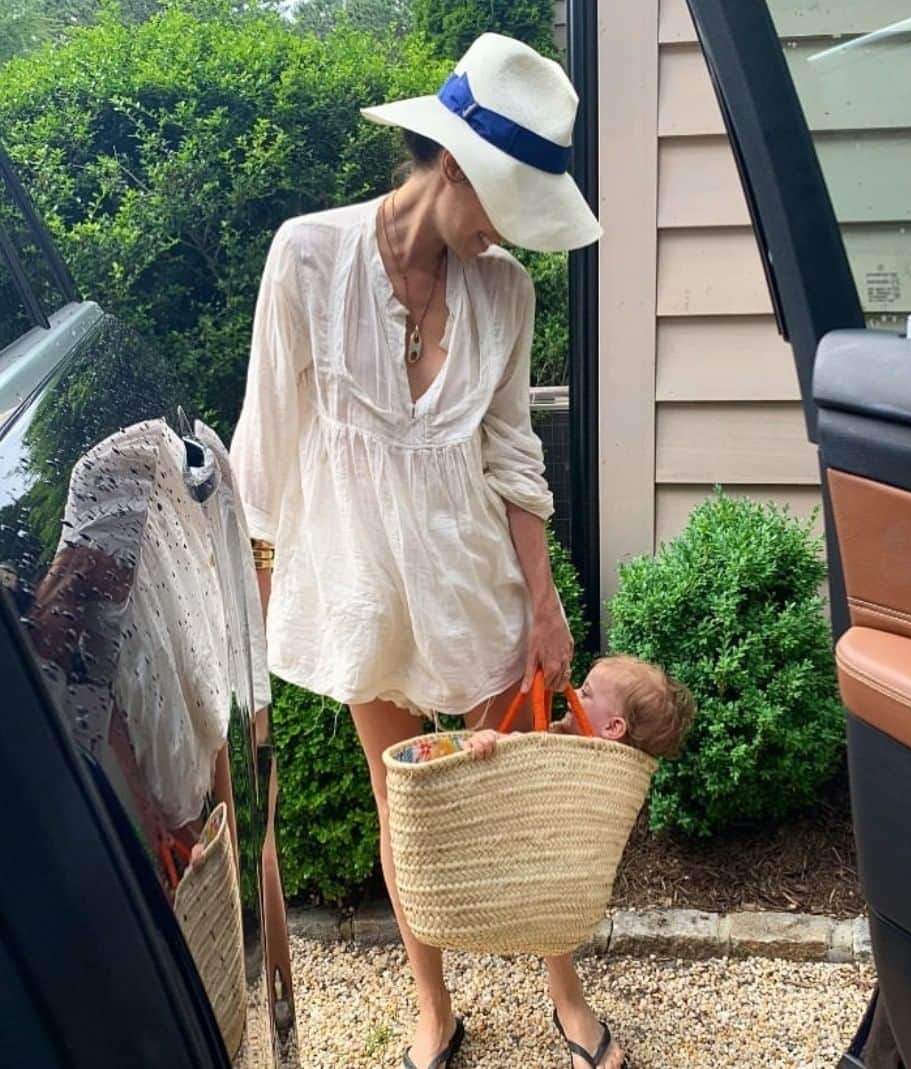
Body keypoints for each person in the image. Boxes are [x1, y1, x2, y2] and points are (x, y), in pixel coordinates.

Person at [229, 30, 624, 1069]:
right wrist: (245, 614)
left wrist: (544, 603)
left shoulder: (507, 295)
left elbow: (511, 456)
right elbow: (263, 450)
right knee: (404, 806)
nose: (509, 239)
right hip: (361, 586)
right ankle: (433, 1007)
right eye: (503, 207)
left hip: (471, 581)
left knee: (519, 794)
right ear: (450, 163)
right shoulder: (307, 258)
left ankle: (562, 986)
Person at [464, 655, 698, 760]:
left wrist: (491, 739)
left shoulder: (569, 756)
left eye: (585, 694)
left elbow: (518, 751)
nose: (572, 694)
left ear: (613, 727)